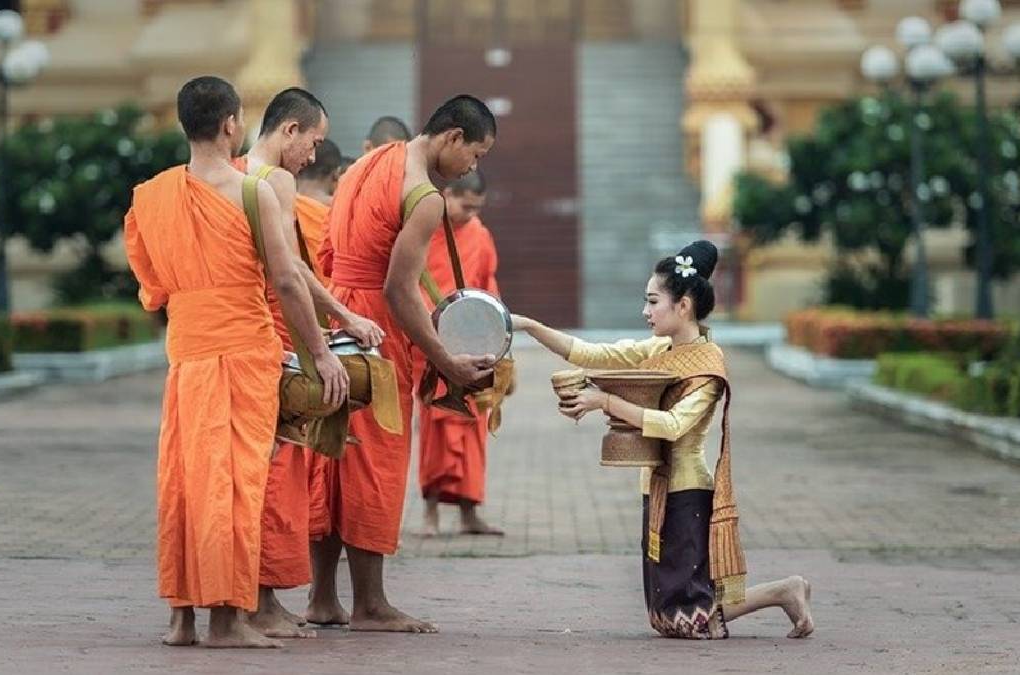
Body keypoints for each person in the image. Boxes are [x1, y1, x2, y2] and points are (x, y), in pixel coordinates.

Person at [123, 75, 347, 649]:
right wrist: (319, 354)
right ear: (231, 125)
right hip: (245, 351)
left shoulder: (151, 195)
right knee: (234, 484)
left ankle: (183, 618)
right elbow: (289, 281)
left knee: (184, 480)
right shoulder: (253, 192)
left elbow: (151, 288)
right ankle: (225, 619)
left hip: (187, 354)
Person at [511, 241, 815, 640]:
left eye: (653, 301)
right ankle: (784, 591)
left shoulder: (708, 366)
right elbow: (591, 352)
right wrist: (530, 327)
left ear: (684, 305)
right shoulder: (659, 349)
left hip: (687, 489)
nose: (645, 311)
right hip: (657, 486)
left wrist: (604, 401)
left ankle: (783, 590)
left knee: (687, 615)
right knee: (668, 613)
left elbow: (673, 425)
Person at [308, 95, 497, 633]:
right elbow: (398, 289)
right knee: (374, 460)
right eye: (476, 155)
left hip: (338, 314)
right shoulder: (424, 196)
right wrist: (446, 361)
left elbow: (326, 251)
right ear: (453, 137)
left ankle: (323, 599)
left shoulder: (369, 162)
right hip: (373, 327)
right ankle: (370, 604)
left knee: (333, 455)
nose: (472, 169)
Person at [235, 88, 384, 639]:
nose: (315, 155)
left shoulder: (233, 174)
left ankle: (256, 597)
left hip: (249, 333)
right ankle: (261, 602)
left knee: (261, 471)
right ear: (289, 130)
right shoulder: (273, 181)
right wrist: (326, 344)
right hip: (273, 335)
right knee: (275, 474)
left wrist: (338, 318)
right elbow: (291, 275)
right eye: (314, 142)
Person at [414, 169, 504, 537]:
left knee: (475, 427)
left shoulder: (479, 234)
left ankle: (470, 513)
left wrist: (497, 337)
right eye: (464, 206)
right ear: (447, 194)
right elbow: (410, 282)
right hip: (435, 342)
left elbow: (488, 284)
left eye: (476, 208)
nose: (469, 214)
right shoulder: (422, 230)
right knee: (435, 428)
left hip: (474, 342)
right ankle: (430, 513)